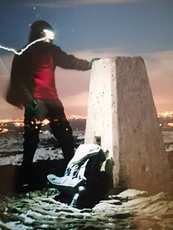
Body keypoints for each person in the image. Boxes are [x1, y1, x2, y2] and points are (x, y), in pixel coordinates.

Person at [6, 20, 99, 188]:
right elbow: (17, 79)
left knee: (65, 137)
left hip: (53, 101)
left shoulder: (53, 51)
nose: (50, 38)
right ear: (39, 34)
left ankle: (71, 172)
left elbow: (69, 61)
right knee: (31, 141)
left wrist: (89, 65)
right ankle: (26, 178)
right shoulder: (24, 53)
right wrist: (29, 101)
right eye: (46, 34)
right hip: (36, 102)